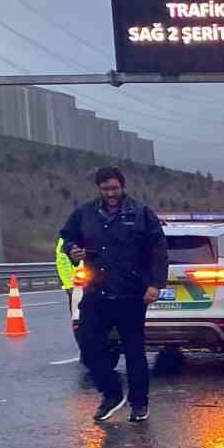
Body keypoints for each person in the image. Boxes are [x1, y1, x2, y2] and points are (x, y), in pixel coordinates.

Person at [60, 166, 168, 423]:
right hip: (97, 292)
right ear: (99, 189)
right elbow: (68, 237)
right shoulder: (85, 213)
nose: (111, 193)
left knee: (134, 352)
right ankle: (111, 393)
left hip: (131, 294)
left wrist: (155, 284)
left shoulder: (141, 213)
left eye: (115, 188)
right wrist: (72, 249)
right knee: (89, 347)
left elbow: (158, 249)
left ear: (122, 186)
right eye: (105, 189)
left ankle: (139, 404)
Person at [54, 236, 83, 352]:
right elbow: (63, 263)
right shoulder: (68, 238)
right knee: (79, 320)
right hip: (78, 287)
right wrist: (69, 285)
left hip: (97, 284)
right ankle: (85, 350)